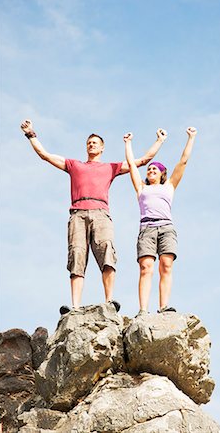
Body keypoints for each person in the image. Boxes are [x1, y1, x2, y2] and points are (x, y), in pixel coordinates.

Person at [20, 119, 167, 315]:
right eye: (89, 142)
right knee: (77, 256)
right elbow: (45, 155)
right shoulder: (74, 165)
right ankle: (75, 307)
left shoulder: (110, 167)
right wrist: (30, 133)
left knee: (106, 252)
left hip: (101, 213)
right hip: (78, 214)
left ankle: (109, 301)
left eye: (95, 142)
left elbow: (142, 160)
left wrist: (160, 140)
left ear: (102, 148)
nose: (91, 145)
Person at [123, 127, 197, 316]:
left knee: (166, 265)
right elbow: (132, 165)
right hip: (147, 228)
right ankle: (143, 310)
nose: (151, 171)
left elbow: (183, 161)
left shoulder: (169, 186)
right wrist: (128, 144)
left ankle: (164, 307)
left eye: (154, 169)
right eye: (149, 169)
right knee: (146, 268)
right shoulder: (141, 188)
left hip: (166, 227)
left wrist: (191, 137)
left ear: (162, 173)